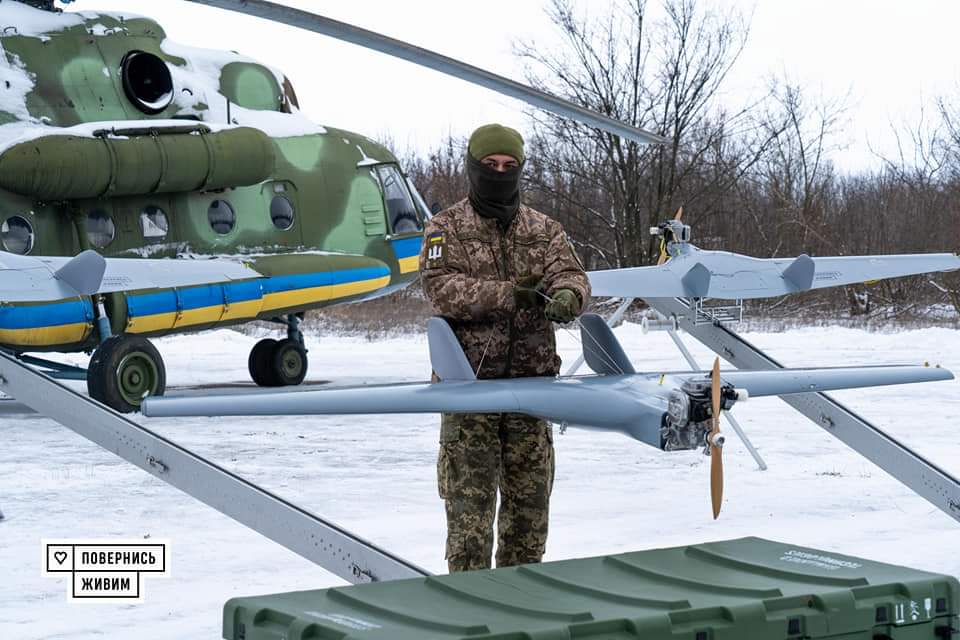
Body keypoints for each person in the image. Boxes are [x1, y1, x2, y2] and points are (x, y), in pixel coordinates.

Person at [418, 123, 591, 572]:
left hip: (531, 395)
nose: (500, 172)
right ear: (474, 168)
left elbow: (571, 274)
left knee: (527, 528)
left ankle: (523, 612)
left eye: (509, 166)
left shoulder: (544, 229)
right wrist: (511, 294)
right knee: (469, 533)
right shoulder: (446, 227)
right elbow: (442, 288)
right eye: (491, 165)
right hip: (468, 394)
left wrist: (571, 296)